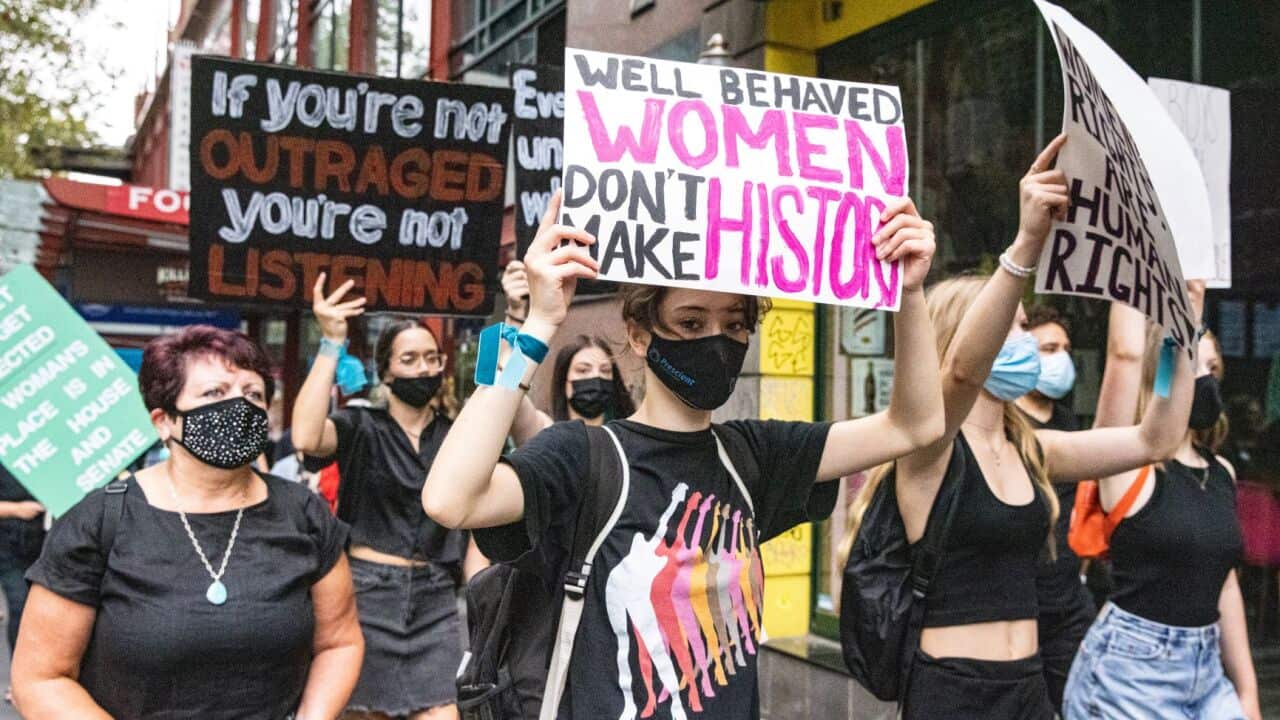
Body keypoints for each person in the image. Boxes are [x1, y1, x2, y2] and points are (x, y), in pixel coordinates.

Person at [422, 190, 947, 719]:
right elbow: (450, 499)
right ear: (639, 332)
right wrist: (536, 325)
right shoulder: (585, 457)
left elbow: (915, 425)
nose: (716, 340)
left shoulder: (754, 457)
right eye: (692, 323)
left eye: (735, 323)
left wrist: (910, 293)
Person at [845, 135, 1198, 719]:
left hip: (1029, 689)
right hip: (952, 695)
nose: (1027, 342)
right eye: (1011, 328)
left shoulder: (1031, 449)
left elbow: (1153, 438)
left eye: (1023, 324)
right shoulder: (926, 449)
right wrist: (1026, 244)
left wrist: (1177, 338)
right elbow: (959, 374)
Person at [12, 325, 362, 719]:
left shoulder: (304, 515)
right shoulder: (98, 522)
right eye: (215, 393)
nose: (240, 407)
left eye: (253, 394)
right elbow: (41, 678)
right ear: (163, 421)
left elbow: (339, 642)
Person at [292, 279, 486, 720]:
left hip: (436, 598)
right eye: (409, 359)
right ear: (387, 371)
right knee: (365, 713)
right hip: (366, 594)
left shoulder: (460, 434)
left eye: (431, 358)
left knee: (444, 713)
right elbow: (305, 436)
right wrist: (331, 343)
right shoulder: (361, 426)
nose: (422, 369)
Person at [1062, 300, 1261, 720]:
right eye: (1196, 366)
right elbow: (1125, 355)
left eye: (1214, 369)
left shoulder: (1220, 471)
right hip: (1132, 670)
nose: (1207, 380)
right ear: (1165, 374)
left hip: (1206, 669)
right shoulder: (1128, 466)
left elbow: (1224, 584)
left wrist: (1247, 692)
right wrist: (1158, 305)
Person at [1011, 305, 1094, 712]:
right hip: (1017, 604)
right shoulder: (1005, 423)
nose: (1059, 357)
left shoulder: (1067, 420)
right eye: (1048, 348)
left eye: (1065, 348)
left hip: (1067, 603)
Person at [501, 260, 636, 445]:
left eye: (605, 371)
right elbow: (506, 383)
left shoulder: (630, 439)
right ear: (564, 381)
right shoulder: (543, 433)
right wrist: (515, 312)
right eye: (583, 370)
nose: (596, 377)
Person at [0, 466, 44, 704]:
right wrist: (16, 510)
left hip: (44, 541)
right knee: (19, 607)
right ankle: (19, 684)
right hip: (8, 547)